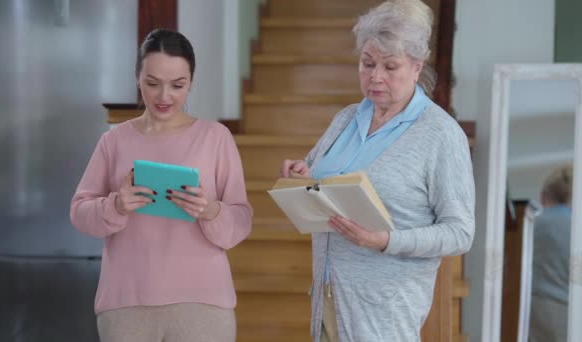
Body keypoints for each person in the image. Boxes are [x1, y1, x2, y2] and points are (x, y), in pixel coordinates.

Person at [279, 1, 475, 340]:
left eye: (390, 66)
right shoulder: (346, 118)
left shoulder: (441, 134)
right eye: (367, 63)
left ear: (417, 66)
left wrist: (385, 241)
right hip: (328, 297)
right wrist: (302, 172)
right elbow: (320, 176)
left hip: (385, 314)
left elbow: (460, 233)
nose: (375, 77)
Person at [70, 29, 252, 342]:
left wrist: (209, 211)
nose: (163, 96)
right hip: (126, 303)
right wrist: (115, 206)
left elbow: (241, 219)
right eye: (152, 83)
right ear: (137, 77)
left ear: (191, 80)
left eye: (177, 85)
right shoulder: (113, 141)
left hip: (204, 302)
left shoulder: (215, 137)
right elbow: (79, 212)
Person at [529, 164, 573, 342]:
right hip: (567, 314)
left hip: (531, 312)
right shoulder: (576, 228)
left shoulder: (530, 223)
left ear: (543, 196)